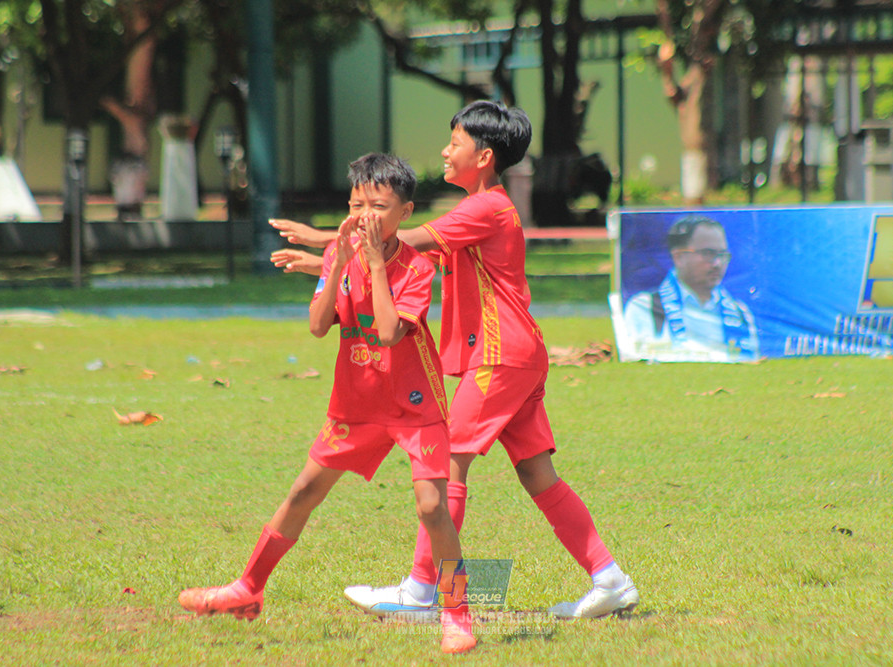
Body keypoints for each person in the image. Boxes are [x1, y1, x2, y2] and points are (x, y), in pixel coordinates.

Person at [270, 101, 639, 620]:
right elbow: (402, 258)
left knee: (446, 469)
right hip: (518, 354)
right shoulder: (482, 209)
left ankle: (423, 591)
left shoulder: (486, 206)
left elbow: (398, 237)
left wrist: (325, 237)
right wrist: (326, 261)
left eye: (455, 142)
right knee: (537, 474)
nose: (445, 151)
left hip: (499, 356)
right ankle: (610, 578)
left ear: (483, 156)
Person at [177, 153, 476, 655]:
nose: (364, 216)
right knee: (300, 494)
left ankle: (457, 614)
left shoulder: (419, 268)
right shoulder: (347, 258)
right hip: (356, 404)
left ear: (405, 211)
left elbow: (386, 332)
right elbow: (318, 325)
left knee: (432, 508)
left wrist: (375, 266)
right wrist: (336, 264)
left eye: (378, 205)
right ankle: (247, 589)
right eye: (357, 204)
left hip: (414, 405)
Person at [622, 215, 759, 362]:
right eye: (708, 254)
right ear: (679, 257)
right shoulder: (645, 307)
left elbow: (750, 358)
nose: (717, 263)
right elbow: (640, 357)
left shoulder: (740, 313)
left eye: (722, 255)